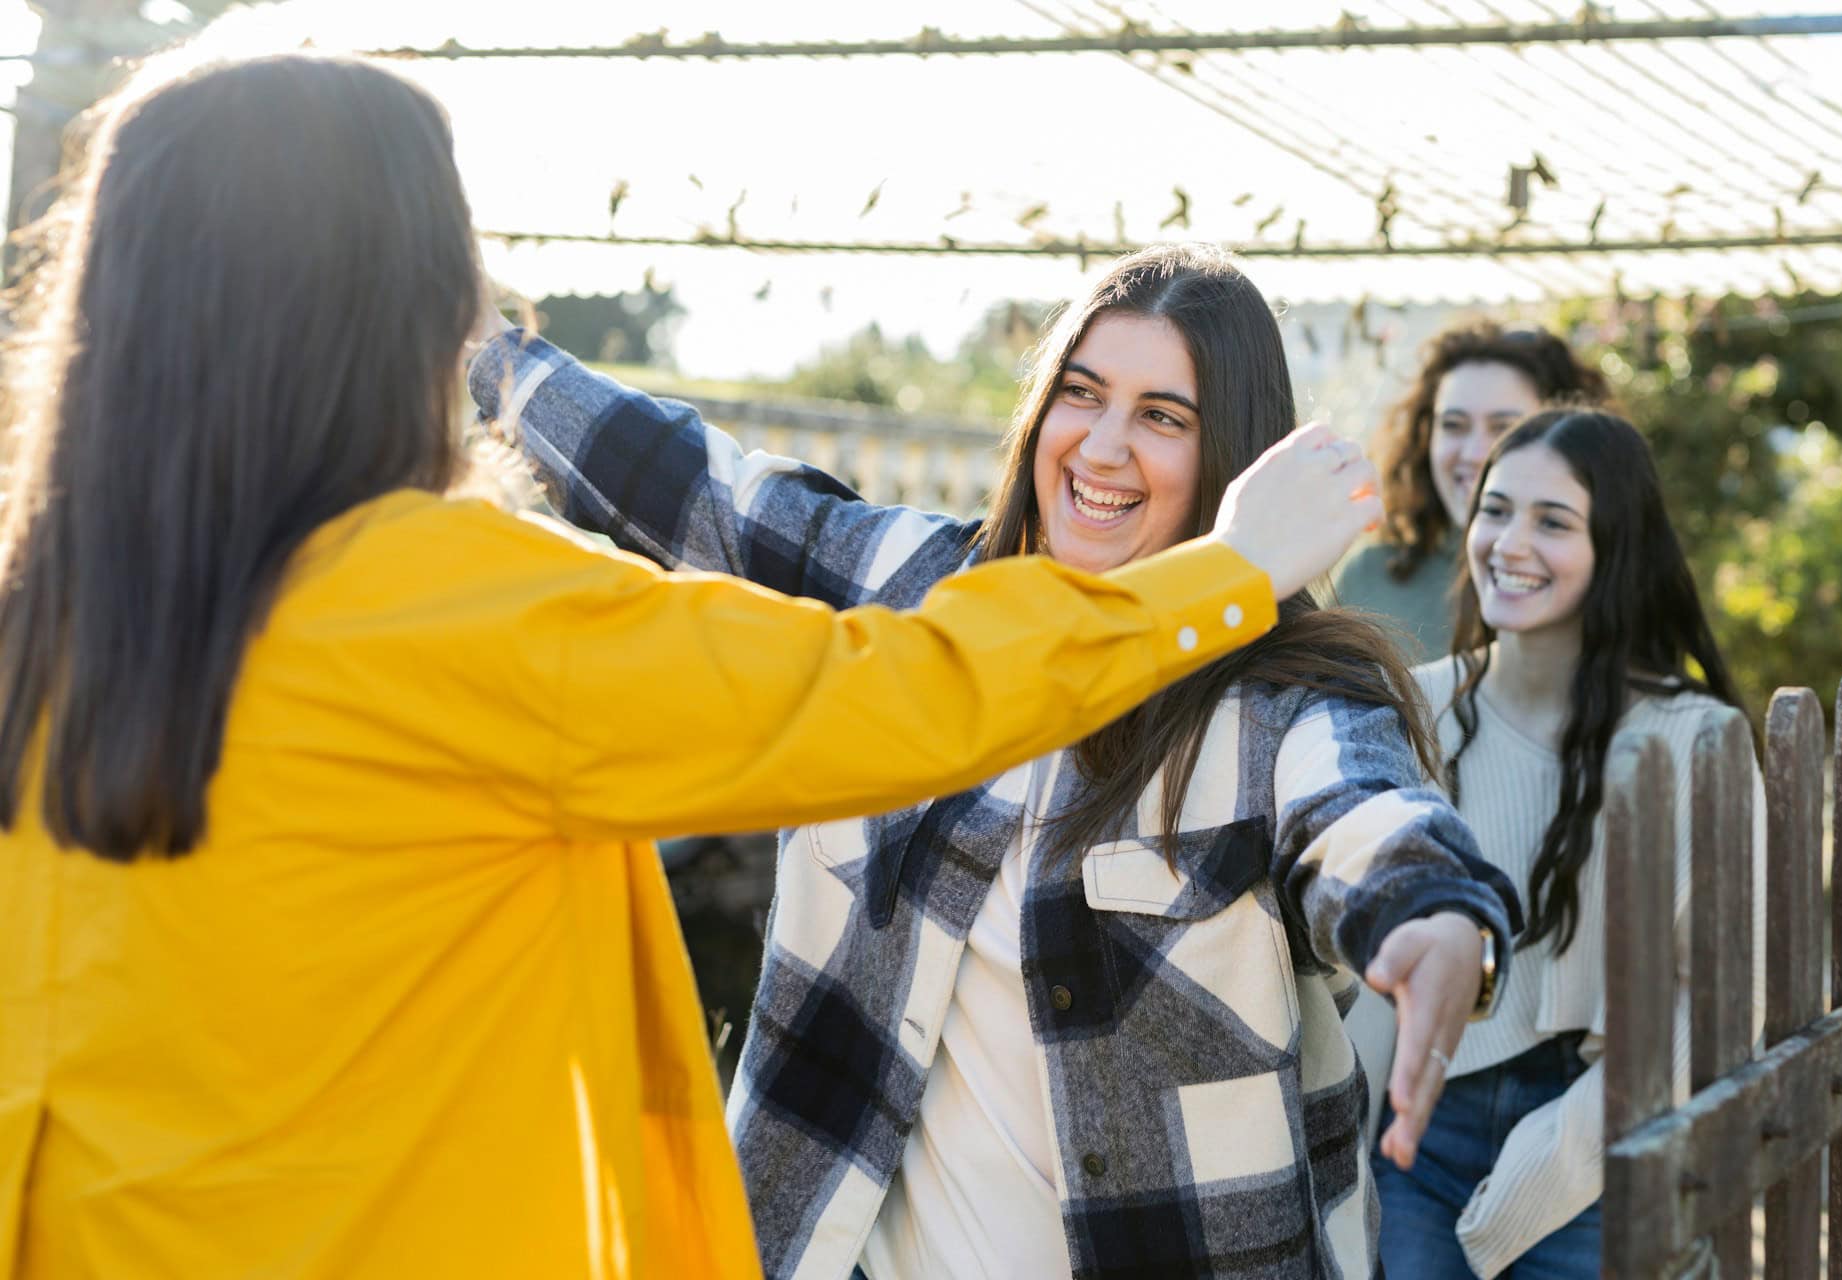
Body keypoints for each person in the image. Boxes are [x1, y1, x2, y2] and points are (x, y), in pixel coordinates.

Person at [0, 56, 1393, 1280]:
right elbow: (881, 692)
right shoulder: (446, 611)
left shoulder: (40, 622)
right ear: (401, 312)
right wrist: (1225, 572)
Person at [469, 242, 1523, 1280]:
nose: (1103, 447)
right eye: (1081, 394)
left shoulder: (1277, 701)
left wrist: (1432, 913)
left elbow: (1365, 808)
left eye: (1162, 416)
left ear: (1232, 458)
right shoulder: (918, 592)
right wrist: (477, 349)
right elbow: (695, 488)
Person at [1371, 409, 1765, 1278]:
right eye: (1496, 510)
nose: (1510, 543)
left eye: (1554, 522)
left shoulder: (1697, 738)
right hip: (1418, 1137)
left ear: (1616, 546)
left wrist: (1556, 1159)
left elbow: (1709, 1007)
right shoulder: (1413, 711)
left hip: (1603, 1137)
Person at [1333, 323, 1609, 663]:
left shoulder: (1602, 580)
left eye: (1505, 428)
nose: (1475, 453)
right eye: (1454, 425)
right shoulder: (1368, 580)